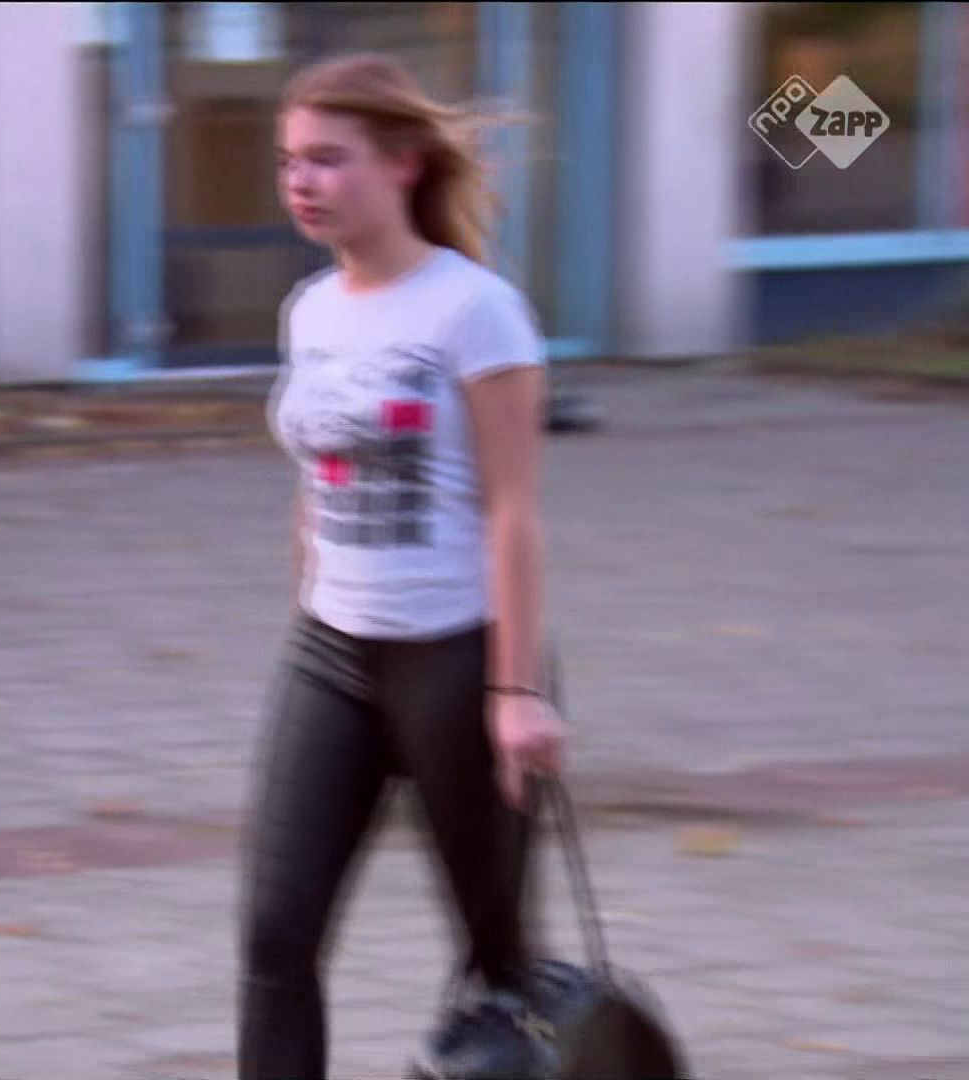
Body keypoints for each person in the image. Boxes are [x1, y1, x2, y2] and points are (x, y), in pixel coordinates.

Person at [238, 52, 568, 1080]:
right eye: (290, 161)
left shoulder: (474, 311)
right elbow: (317, 472)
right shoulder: (311, 309)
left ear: (403, 163)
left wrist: (515, 693)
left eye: (327, 159)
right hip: (333, 654)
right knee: (275, 938)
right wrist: (312, 592)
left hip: (456, 660)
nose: (301, 181)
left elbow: (513, 513)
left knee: (497, 962)